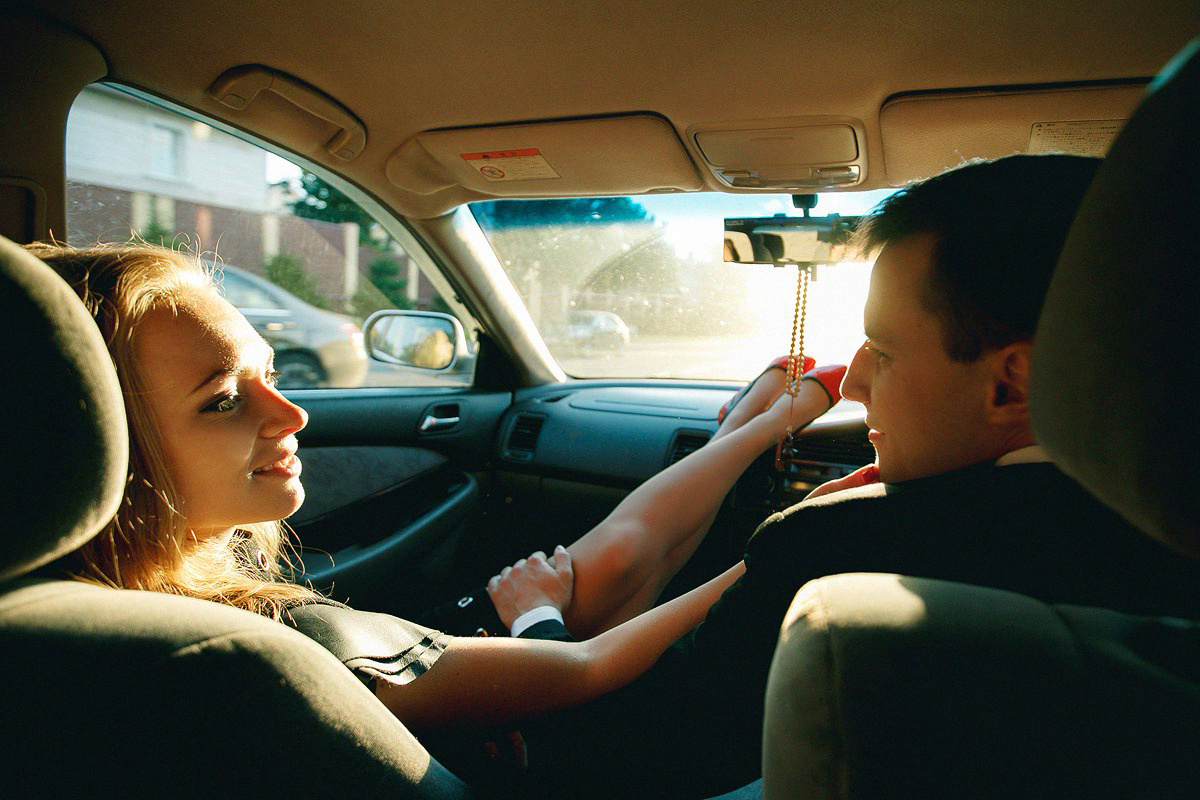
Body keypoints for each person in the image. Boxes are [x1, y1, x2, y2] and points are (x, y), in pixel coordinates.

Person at [486, 154, 1200, 800]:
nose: (855, 381)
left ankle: (755, 425)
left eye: (883, 352)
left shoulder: (849, 544)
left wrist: (533, 617)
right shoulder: (1165, 541)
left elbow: (605, 752)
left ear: (1013, 386)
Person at [26, 238, 839, 794]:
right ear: (98, 436)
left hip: (426, 691)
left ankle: (750, 427)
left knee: (608, 564)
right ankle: (758, 425)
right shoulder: (239, 659)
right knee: (602, 572)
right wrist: (805, 536)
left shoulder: (69, 630)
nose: (293, 415)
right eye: (227, 400)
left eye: (270, 373)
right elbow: (591, 669)